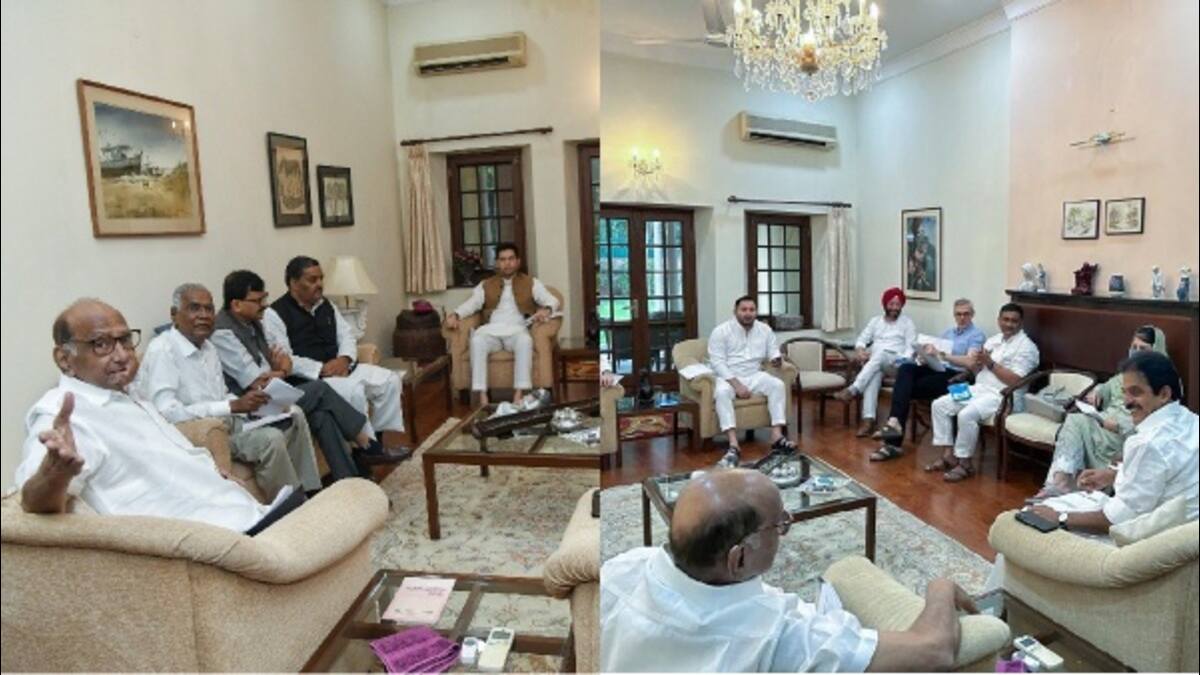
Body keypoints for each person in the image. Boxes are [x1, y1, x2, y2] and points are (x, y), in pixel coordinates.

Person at [600, 468, 979, 672]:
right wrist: (940, 587)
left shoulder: (619, 571)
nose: (787, 525)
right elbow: (934, 651)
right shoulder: (782, 635)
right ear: (738, 559)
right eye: (779, 524)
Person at [15, 299, 301, 534]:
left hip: (244, 514)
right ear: (64, 359)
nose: (122, 355)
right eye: (101, 344)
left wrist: (210, 472)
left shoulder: (128, 394)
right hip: (218, 542)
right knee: (328, 515)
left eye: (125, 340)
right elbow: (32, 503)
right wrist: (54, 473)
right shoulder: (64, 415)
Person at [136, 283, 321, 499]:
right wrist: (231, 406)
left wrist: (251, 404)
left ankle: (310, 492)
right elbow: (166, 412)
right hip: (203, 432)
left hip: (229, 421)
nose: (204, 315)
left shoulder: (208, 347)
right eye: (195, 308)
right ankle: (291, 504)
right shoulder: (162, 350)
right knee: (270, 439)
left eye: (209, 309)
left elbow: (222, 393)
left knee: (294, 415)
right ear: (174, 314)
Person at [210, 270, 386, 481]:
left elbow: (284, 359)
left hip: (271, 395)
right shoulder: (223, 333)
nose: (264, 305)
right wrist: (282, 371)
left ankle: (350, 481)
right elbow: (257, 381)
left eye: (264, 298)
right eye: (257, 301)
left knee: (322, 416)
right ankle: (365, 441)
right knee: (320, 389)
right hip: (252, 408)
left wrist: (279, 370)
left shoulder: (255, 322)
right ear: (237, 304)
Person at [1027, 351, 1198, 533]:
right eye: (1125, 393)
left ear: (1164, 394)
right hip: (1188, 535)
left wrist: (1060, 518)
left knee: (1033, 517)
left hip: (1152, 540)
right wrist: (1112, 476)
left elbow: (1117, 521)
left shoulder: (1147, 443)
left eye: (1136, 392)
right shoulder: (1192, 420)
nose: (1127, 403)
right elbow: (1162, 476)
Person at [263, 255, 410, 460]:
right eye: (312, 280)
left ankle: (378, 438)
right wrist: (321, 369)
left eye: (321, 278)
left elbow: (346, 335)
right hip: (313, 379)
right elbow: (284, 358)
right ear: (294, 283)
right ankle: (367, 448)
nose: (319, 284)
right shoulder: (274, 314)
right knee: (354, 391)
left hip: (343, 367)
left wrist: (345, 359)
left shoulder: (326, 305)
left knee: (390, 380)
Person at [1034, 325, 1168, 498]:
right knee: (1074, 420)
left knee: (1077, 424)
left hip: (1128, 433)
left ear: (1156, 351)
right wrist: (1097, 393)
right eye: (1134, 347)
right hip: (1103, 424)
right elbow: (1107, 387)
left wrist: (1118, 425)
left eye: (1143, 349)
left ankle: (1064, 486)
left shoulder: (1162, 381)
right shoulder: (1125, 374)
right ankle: (1060, 481)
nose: (1136, 353)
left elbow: (1157, 420)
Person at [927, 303, 1039, 482]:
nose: (1009, 324)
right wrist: (976, 364)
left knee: (966, 414)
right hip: (978, 389)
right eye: (1005, 319)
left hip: (1002, 396)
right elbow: (977, 368)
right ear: (999, 320)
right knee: (939, 405)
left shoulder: (1027, 348)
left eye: (1014, 321)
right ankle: (948, 456)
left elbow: (1015, 381)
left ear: (1021, 323)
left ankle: (965, 463)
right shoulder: (994, 340)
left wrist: (990, 363)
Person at [442, 242, 559, 406]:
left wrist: (547, 309)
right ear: (497, 262)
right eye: (503, 259)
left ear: (518, 261)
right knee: (477, 341)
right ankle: (482, 396)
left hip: (518, 330)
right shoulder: (486, 284)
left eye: (511, 259)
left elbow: (552, 300)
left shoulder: (531, 283)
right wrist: (455, 314)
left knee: (525, 341)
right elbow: (472, 304)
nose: (507, 263)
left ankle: (518, 394)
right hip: (491, 331)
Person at [869, 299, 986, 461]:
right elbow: (937, 358)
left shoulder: (976, 335)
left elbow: (971, 362)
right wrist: (925, 357)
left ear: (972, 315)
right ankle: (894, 422)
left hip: (958, 377)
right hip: (939, 371)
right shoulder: (948, 333)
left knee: (904, 388)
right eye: (958, 314)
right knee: (906, 368)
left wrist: (942, 355)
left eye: (966, 314)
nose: (962, 318)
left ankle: (893, 443)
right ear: (954, 315)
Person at [707, 296, 798, 468]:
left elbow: (773, 351)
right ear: (735, 311)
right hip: (729, 376)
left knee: (777, 385)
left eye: (752, 310)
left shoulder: (764, 329)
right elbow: (717, 363)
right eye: (744, 310)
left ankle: (777, 436)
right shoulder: (721, 331)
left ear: (756, 312)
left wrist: (777, 359)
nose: (748, 313)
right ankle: (733, 445)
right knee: (722, 393)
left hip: (754, 374)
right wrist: (737, 385)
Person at [834, 287, 917, 437]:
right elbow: (861, 339)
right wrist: (860, 350)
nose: (894, 308)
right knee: (873, 374)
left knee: (878, 356)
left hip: (897, 364)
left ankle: (853, 389)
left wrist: (901, 361)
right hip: (877, 364)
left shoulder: (907, 323)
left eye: (898, 305)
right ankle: (868, 420)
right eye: (891, 304)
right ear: (885, 304)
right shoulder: (875, 321)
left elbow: (911, 349)